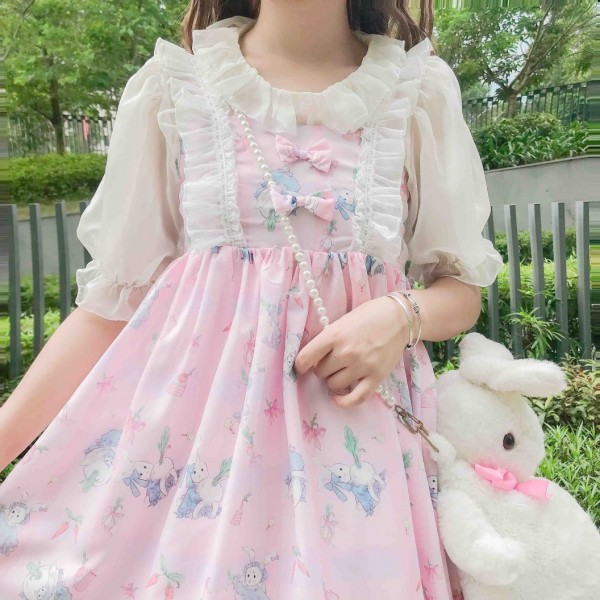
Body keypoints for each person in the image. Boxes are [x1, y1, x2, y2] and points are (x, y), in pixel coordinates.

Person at [0, 1, 503, 598]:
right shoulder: (177, 89)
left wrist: (399, 314)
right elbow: (110, 306)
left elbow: (462, 290)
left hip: (359, 473)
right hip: (200, 476)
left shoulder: (416, 94)